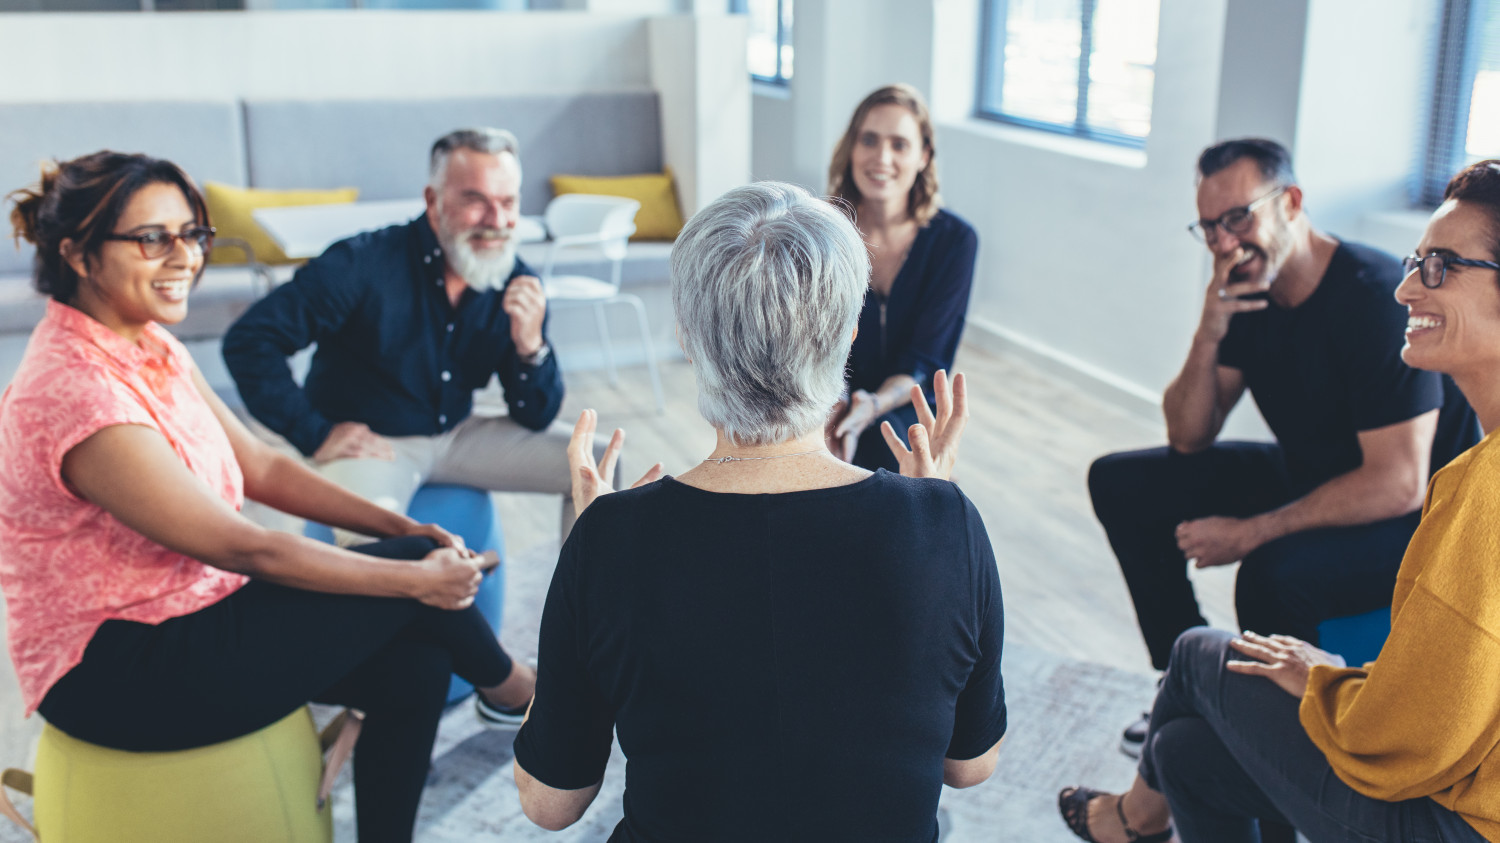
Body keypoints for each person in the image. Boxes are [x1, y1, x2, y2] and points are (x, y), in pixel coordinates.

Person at [0, 151, 537, 843]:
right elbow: (243, 543)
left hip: (188, 616)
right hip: (116, 670)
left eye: (192, 234)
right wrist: (412, 572)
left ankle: (485, 720)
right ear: (78, 254)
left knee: (419, 659)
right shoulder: (74, 388)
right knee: (414, 589)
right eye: (152, 238)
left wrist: (400, 525)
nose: (184, 257)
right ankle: (518, 691)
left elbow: (257, 464)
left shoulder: (145, 342)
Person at [508, 182, 1006, 841]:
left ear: (687, 335)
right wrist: (932, 515)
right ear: (848, 332)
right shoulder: (947, 525)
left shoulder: (610, 539)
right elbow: (968, 764)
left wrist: (588, 567)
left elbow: (551, 803)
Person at [1056, 159, 1500, 843]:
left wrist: (1332, 685)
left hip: (1455, 815)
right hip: (1447, 765)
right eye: (1209, 227)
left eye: (1440, 266)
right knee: (1183, 752)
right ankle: (1198, 722)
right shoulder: (1246, 294)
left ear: (1290, 201)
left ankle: (1146, 799)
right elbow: (1188, 434)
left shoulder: (1480, 489)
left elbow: (1416, 739)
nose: (1409, 285)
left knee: (1206, 649)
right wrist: (1209, 327)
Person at [223, 127, 603, 545]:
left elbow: (535, 415)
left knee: (599, 466)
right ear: (432, 201)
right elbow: (250, 340)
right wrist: (315, 432)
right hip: (375, 444)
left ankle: (583, 608)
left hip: (457, 434)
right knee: (381, 559)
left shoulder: (516, 280)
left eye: (507, 202)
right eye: (474, 200)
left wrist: (531, 347)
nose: (496, 221)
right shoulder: (361, 263)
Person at [824, 84, 979, 471]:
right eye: (869, 140)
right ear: (852, 148)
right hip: (826, 392)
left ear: (924, 156)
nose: (882, 157)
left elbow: (925, 357)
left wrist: (871, 406)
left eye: (899, 144)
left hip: (907, 402)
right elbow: (811, 338)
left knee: (889, 442)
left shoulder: (954, 240)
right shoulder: (820, 230)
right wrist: (838, 403)